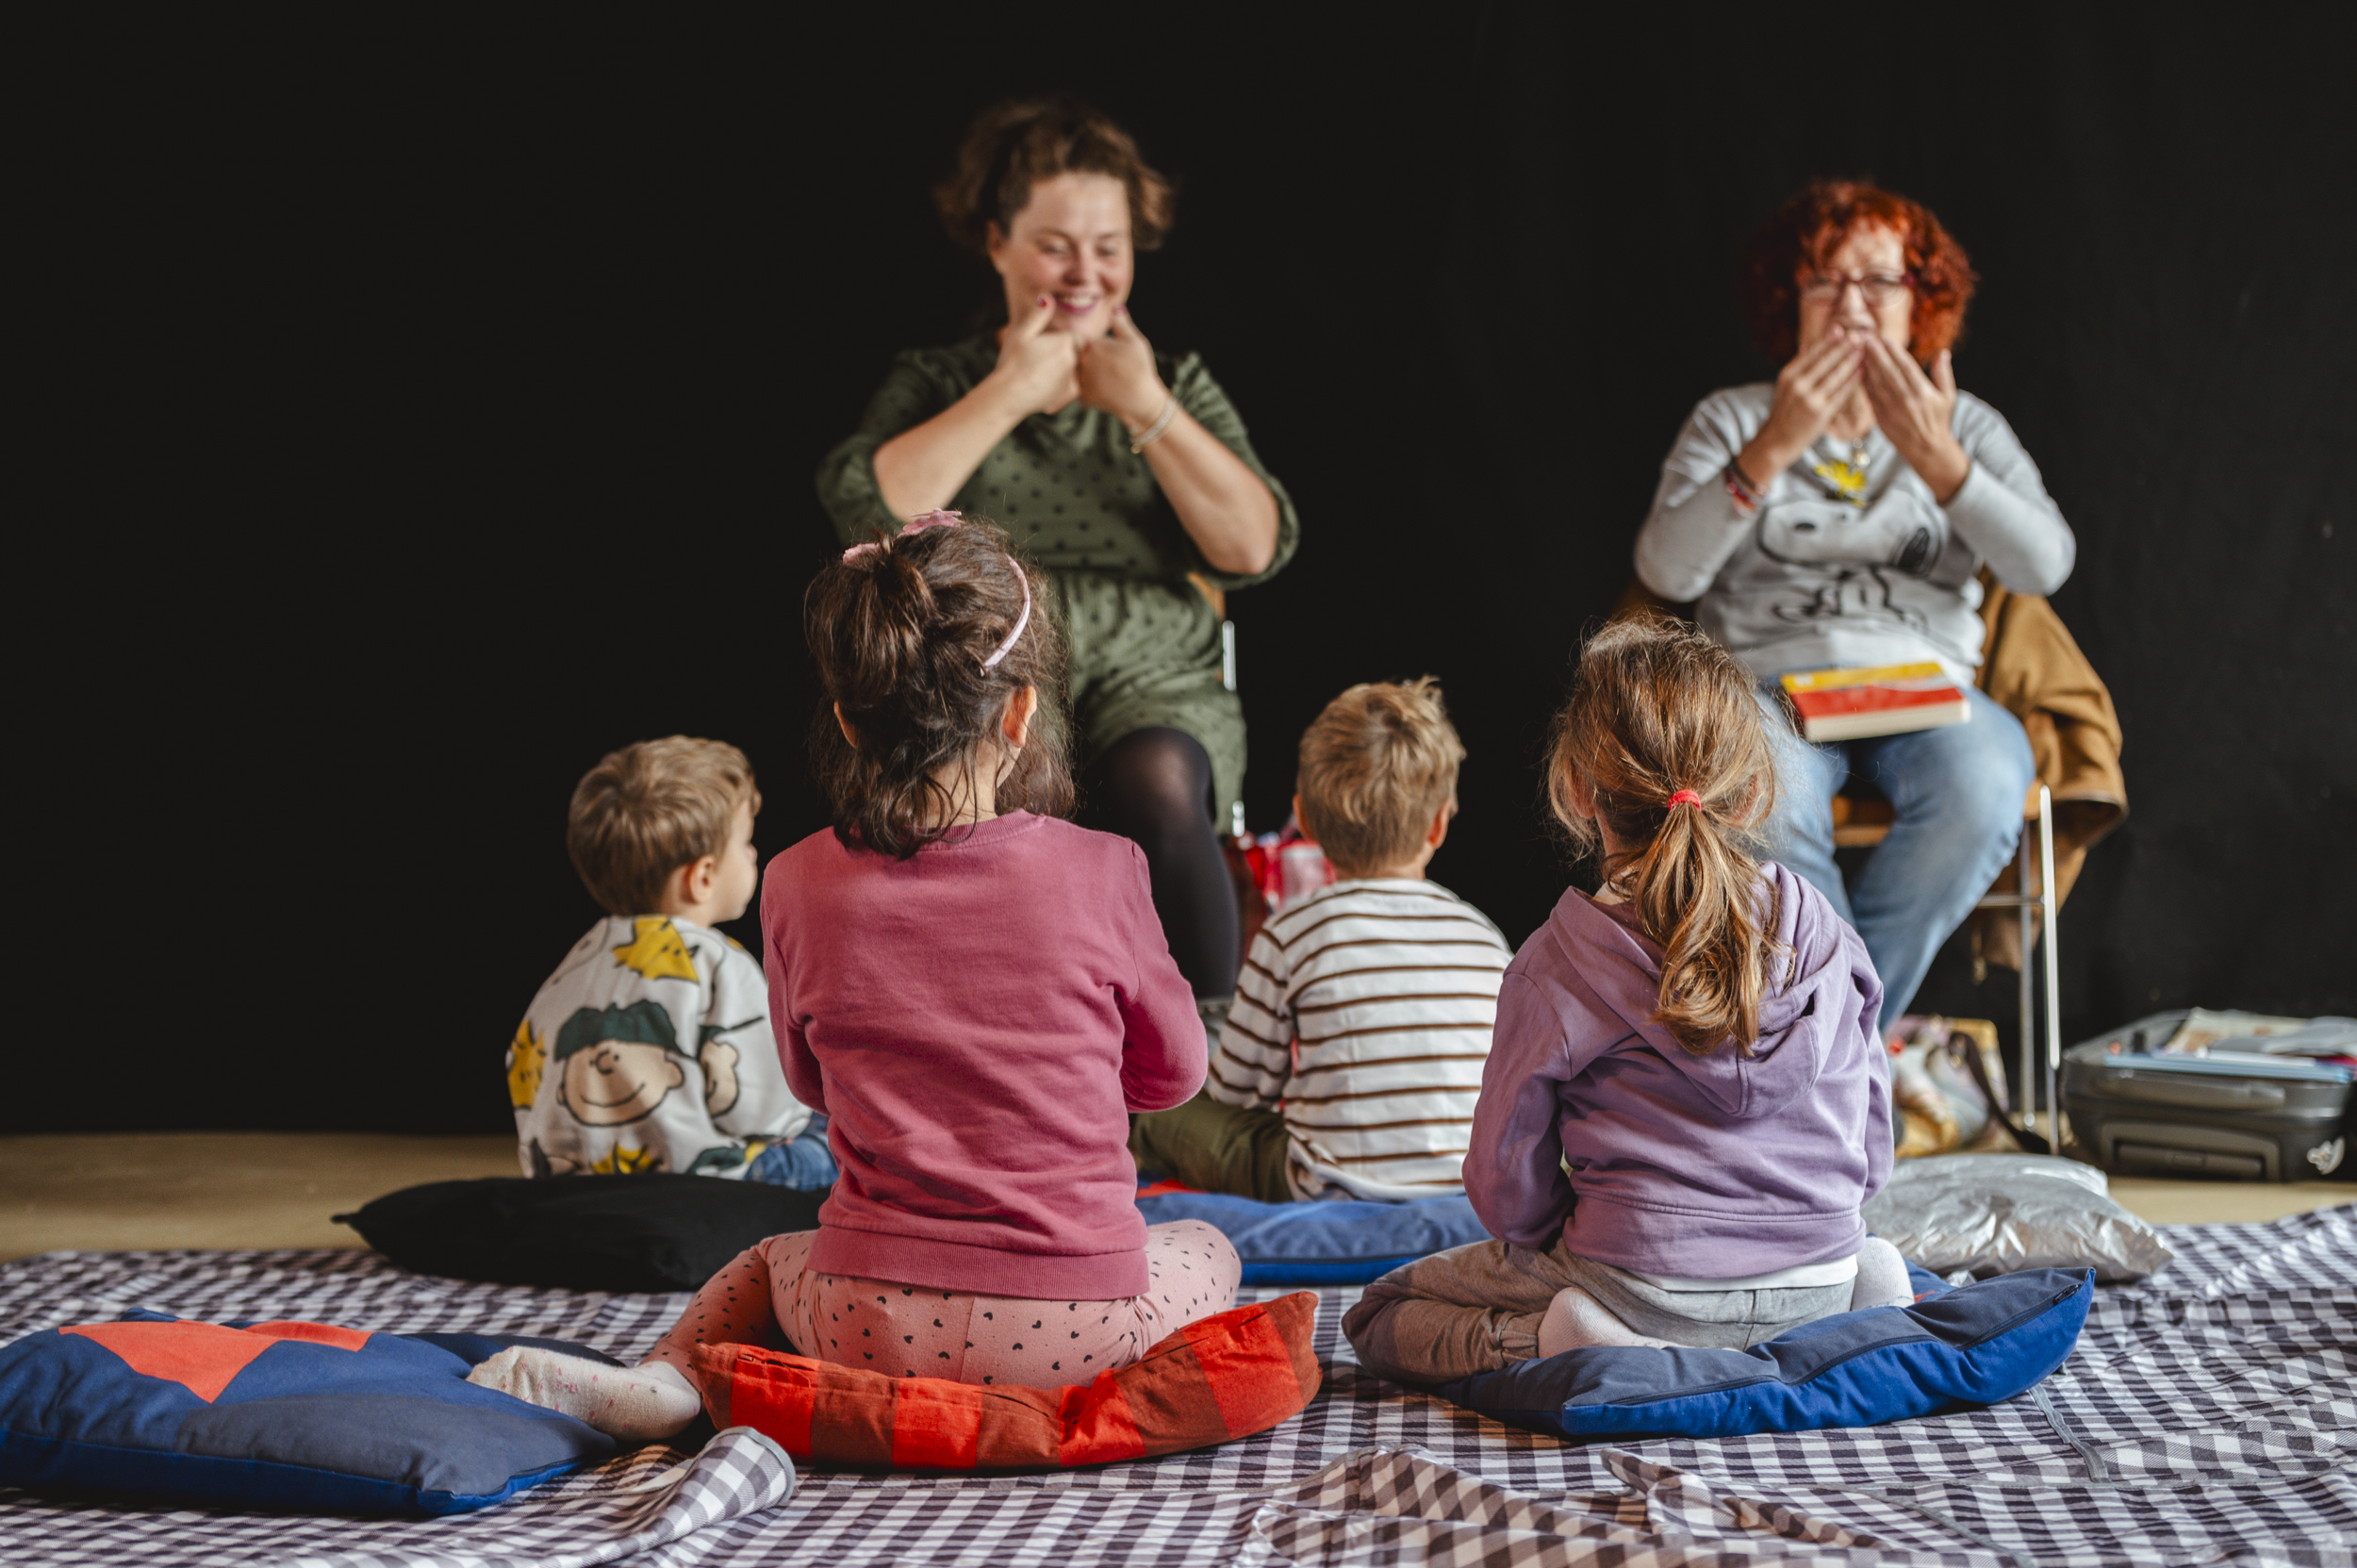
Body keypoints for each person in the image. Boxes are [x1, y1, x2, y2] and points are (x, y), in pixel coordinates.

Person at [472, 517, 1239, 1439]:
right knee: (1207, 1245)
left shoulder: (793, 879)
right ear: (1020, 712)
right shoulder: (1107, 865)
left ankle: (669, 1379)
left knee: (765, 1260)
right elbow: (1175, 1073)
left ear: (846, 718)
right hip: (1074, 1329)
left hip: (860, 1321)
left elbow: (809, 1085)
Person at [816, 99, 1301, 1024]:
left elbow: (1254, 546)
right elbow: (865, 510)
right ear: (997, 243)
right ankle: (1004, 1045)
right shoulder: (939, 379)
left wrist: (1146, 406)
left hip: (1155, 671)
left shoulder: (1171, 383)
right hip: (984, 671)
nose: (1086, 273)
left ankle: (1208, 1055)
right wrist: (1010, 391)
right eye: (1055, 246)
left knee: (1161, 783)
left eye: (1109, 248)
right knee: (974, 801)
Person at [1342, 619, 1907, 1385]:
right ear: (1751, 793)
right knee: (1864, 1254)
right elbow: (1872, 1151)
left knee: (1381, 1312)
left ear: (1578, 789)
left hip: (1640, 1290)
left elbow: (1508, 1191)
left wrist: (1564, 1239)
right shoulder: (1829, 935)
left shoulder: (1555, 962)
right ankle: (1859, 1310)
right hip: (1823, 1276)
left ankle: (1563, 1339)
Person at [1632, 179, 2071, 1033]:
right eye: (1824, 281)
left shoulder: (1965, 426)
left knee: (1987, 782)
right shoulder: (1733, 418)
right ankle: (1852, 1051)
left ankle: (1830, 1044)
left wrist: (1941, 463)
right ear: (1788, 300)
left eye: (1878, 280)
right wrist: (1775, 445)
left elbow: (2045, 563)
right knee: (1760, 789)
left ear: (1921, 302)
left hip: (1924, 690)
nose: (1851, 306)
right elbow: (1665, 569)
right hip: (1770, 689)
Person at [1129, 678, 1510, 1201]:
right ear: (1438, 825)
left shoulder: (1292, 933)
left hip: (1328, 1188)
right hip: (1470, 1188)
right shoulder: (1485, 939)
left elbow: (1237, 1093)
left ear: (1304, 819)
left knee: (1164, 1113)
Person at [505, 737, 832, 1189]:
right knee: (838, 1129)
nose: (753, 854)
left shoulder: (570, 969)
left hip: (574, 1189)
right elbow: (765, 1112)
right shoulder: (716, 963)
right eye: (745, 842)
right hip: (706, 1189)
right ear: (702, 878)